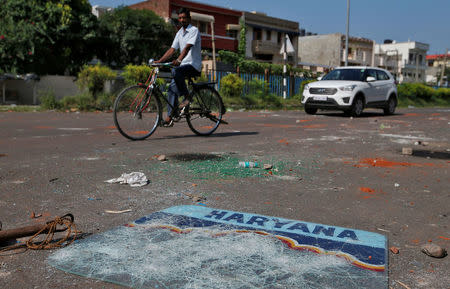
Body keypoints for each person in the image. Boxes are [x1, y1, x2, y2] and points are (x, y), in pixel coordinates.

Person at [155, 7, 202, 125]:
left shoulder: (194, 30)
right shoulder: (179, 33)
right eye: (180, 18)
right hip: (182, 66)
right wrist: (159, 61)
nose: (182, 20)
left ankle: (187, 97)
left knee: (176, 72)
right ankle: (170, 117)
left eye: (184, 18)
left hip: (193, 65)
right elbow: (172, 49)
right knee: (171, 89)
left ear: (189, 19)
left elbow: (187, 48)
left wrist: (179, 59)